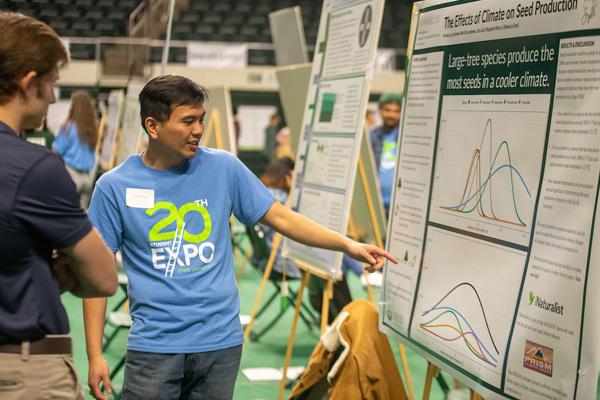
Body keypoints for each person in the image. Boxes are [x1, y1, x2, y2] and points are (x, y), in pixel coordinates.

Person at [83, 75, 397, 400]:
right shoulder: (114, 186)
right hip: (155, 348)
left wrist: (347, 244)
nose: (198, 130)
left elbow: (282, 218)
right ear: (153, 126)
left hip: (221, 345)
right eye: (188, 120)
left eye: (201, 119)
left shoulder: (224, 168)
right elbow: (95, 274)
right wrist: (95, 355)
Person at [0, 11, 117, 400]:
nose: (53, 96)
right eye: (51, 84)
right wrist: (60, 272)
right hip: (23, 370)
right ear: (28, 82)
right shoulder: (34, 167)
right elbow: (103, 278)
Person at [258, 157, 356, 321]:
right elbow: (296, 223)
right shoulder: (280, 199)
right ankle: (346, 320)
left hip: (269, 259)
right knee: (333, 267)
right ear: (288, 175)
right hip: (284, 262)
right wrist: (294, 191)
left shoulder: (264, 192)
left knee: (334, 261)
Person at [53, 90, 99, 208]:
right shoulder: (93, 128)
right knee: (81, 214)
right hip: (87, 178)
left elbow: (56, 151)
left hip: (70, 175)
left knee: (66, 213)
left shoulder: (68, 127)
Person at [370, 92, 402, 216]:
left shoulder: (408, 137)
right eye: (387, 110)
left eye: (396, 111)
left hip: (398, 206)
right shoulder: (371, 136)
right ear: (380, 110)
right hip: (376, 203)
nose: (391, 115)